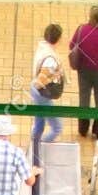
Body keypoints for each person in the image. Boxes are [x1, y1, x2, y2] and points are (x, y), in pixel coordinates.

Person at [68, 5, 98, 138]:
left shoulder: (82, 30)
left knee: (84, 98)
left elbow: (72, 45)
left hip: (84, 70)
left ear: (93, 18)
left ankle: (83, 128)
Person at [30, 23, 64, 157]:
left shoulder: (42, 46)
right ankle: (39, 147)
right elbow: (40, 83)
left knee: (39, 123)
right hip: (42, 95)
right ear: (58, 39)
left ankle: (35, 142)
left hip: (36, 91)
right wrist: (55, 75)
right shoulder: (50, 60)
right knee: (57, 128)